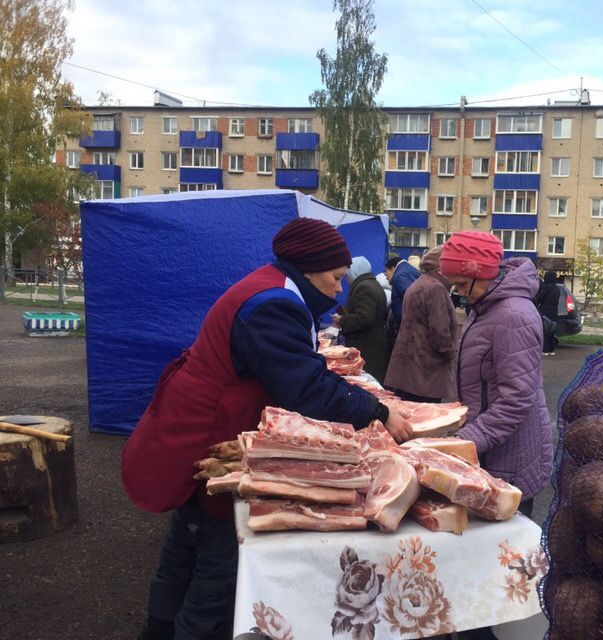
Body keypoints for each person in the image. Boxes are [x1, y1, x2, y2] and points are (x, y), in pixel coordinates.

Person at [124, 218, 412, 640]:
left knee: (187, 541)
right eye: (335, 278)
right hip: (208, 430)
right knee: (218, 561)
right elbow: (306, 388)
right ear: (310, 268)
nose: (339, 289)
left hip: (206, 425)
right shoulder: (274, 303)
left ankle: (159, 628)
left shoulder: (271, 285)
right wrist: (378, 412)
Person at [439, 231, 553, 518]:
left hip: (511, 459)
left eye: (463, 284)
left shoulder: (513, 315)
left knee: (507, 555)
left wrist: (467, 439)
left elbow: (516, 398)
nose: (460, 293)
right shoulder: (487, 304)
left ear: (485, 273)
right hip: (491, 448)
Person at [384, 245, 457, 402]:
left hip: (409, 371)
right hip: (426, 374)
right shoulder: (436, 288)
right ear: (441, 268)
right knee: (427, 421)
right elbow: (440, 332)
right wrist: (450, 354)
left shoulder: (419, 284)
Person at [334, 256, 389, 382]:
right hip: (372, 344)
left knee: (368, 383)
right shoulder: (372, 284)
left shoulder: (364, 287)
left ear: (355, 272)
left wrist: (341, 320)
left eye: (347, 276)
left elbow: (365, 317)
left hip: (368, 346)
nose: (347, 280)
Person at [385, 254, 420, 343]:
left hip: (407, 325)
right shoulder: (411, 270)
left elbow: (411, 297)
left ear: (392, 268)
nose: (386, 276)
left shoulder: (399, 276)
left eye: (386, 271)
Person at [535, 270, 560, 356]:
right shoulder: (557, 289)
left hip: (545, 313)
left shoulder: (546, 288)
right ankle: (551, 350)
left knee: (545, 331)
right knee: (552, 332)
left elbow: (539, 298)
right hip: (554, 313)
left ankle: (545, 350)